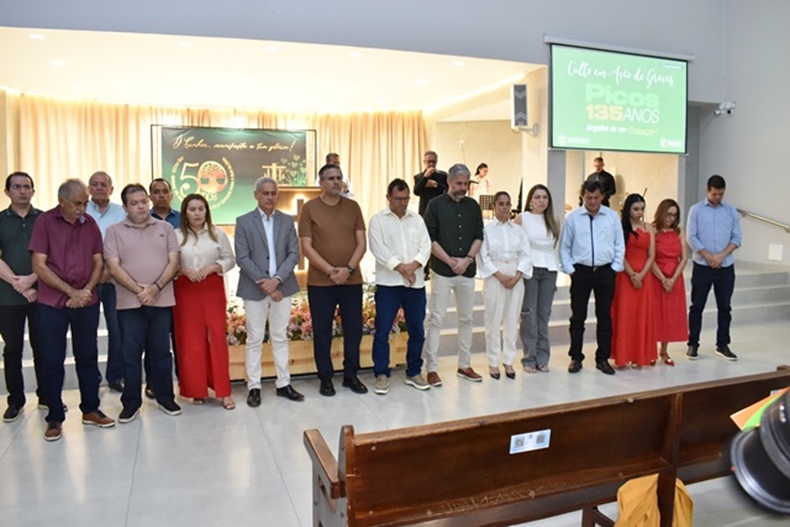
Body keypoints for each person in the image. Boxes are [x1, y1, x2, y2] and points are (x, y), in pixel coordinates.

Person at [30, 179, 115, 441]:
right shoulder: (45, 222)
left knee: (87, 356)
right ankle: (54, 416)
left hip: (86, 301)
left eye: (85, 203)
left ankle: (90, 409)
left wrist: (85, 291)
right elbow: (39, 265)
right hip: (52, 303)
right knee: (52, 360)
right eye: (77, 203)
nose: (82, 208)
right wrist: (71, 292)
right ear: (62, 201)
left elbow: (98, 261)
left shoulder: (89, 224)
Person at [105, 183, 181, 423]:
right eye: (134, 203)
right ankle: (131, 403)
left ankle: (165, 397)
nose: (140, 207)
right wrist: (140, 291)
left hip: (161, 301)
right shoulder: (114, 231)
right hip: (130, 304)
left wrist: (155, 288)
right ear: (125, 207)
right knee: (130, 355)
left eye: (143, 202)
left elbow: (174, 261)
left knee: (161, 353)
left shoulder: (165, 228)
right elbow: (113, 267)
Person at [298, 163, 368, 396]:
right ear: (321, 183)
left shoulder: (353, 207)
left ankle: (351, 375)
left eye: (339, 178)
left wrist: (348, 269)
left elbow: (361, 243)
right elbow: (306, 247)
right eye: (331, 178)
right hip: (321, 283)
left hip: (351, 280)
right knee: (322, 331)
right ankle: (325, 377)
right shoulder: (310, 208)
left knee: (353, 329)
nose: (336, 182)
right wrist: (331, 271)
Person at [235, 177, 304, 406]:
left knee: (280, 336)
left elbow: (293, 254)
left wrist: (277, 281)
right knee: (254, 338)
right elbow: (242, 257)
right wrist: (264, 283)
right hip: (254, 288)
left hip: (282, 287)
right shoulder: (243, 221)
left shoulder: (286, 221)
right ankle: (254, 386)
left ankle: (283, 383)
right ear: (256, 195)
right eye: (265, 193)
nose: (270, 197)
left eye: (274, 193)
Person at [368, 178, 432, 394]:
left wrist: (413, 266)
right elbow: (378, 249)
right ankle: (381, 374)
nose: (402, 203)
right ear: (388, 198)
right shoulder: (378, 220)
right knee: (383, 331)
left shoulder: (417, 219)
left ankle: (414, 372)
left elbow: (426, 247)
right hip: (389, 284)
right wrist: (402, 269)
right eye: (397, 199)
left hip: (415, 285)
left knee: (417, 330)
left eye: (405, 199)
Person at [422, 163, 485, 386]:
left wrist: (467, 260)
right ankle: (431, 368)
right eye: (459, 183)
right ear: (449, 181)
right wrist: (450, 261)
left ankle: (464, 365)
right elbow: (429, 239)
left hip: (466, 270)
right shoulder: (435, 205)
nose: (463, 188)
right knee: (437, 319)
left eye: (466, 184)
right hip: (442, 270)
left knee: (466, 318)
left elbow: (479, 236)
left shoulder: (472, 206)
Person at [173, 193, 236, 409]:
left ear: (207, 211)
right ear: (185, 213)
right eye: (192, 209)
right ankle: (196, 389)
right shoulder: (175, 235)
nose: (197, 213)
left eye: (201, 209)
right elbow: (169, 264)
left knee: (217, 337)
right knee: (191, 340)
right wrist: (182, 270)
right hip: (186, 290)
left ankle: (224, 392)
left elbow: (230, 259)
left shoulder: (218, 234)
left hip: (211, 289)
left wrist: (214, 267)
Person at [559, 180, 625, 375]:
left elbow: (619, 244)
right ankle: (576, 357)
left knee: (604, 317)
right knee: (578, 317)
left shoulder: (612, 217)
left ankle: (602, 358)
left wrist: (614, 268)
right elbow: (565, 246)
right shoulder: (573, 218)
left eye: (596, 197)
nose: (593, 201)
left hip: (605, 271)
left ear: (602, 196)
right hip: (581, 272)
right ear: (583, 196)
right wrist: (571, 270)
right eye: (589, 198)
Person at [0, 172, 42, 422]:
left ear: (33, 191)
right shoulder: (1, 220)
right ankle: (15, 400)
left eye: (27, 187)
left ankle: (47, 396)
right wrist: (20, 285)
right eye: (16, 187)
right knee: (13, 349)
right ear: (7, 192)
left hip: (41, 295)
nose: (22, 191)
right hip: (8, 297)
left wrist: (32, 279)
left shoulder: (45, 219)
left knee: (43, 348)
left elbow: (52, 256)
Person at [686, 175, 741, 361]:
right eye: (714, 194)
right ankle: (693, 344)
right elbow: (691, 237)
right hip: (703, 266)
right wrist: (709, 257)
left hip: (725, 266)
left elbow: (737, 238)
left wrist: (721, 256)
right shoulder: (696, 210)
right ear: (707, 190)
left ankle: (722, 344)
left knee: (725, 307)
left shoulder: (731, 211)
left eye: (721, 194)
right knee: (697, 306)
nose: (718, 197)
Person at [478, 191, 532, 380]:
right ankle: (493, 361)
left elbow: (526, 254)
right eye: (500, 203)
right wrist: (499, 275)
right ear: (494, 206)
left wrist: (518, 275)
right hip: (495, 275)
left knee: (512, 320)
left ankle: (508, 360)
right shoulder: (486, 230)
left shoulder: (518, 230)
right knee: (493, 320)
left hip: (515, 275)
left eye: (508, 204)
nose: (505, 207)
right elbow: (483, 256)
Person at [86, 170, 127, 393]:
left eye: (104, 184)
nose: (99, 187)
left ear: (111, 189)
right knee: (87, 331)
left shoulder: (121, 212)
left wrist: (109, 271)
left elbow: (125, 245)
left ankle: (115, 375)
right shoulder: (80, 210)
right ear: (88, 189)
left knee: (117, 330)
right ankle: (91, 377)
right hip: (86, 282)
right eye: (95, 184)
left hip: (114, 281)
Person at [515, 184, 560, 374]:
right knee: (529, 315)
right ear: (530, 200)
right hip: (530, 270)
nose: (541, 201)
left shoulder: (553, 219)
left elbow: (553, 244)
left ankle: (543, 358)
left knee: (543, 315)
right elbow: (517, 244)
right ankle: (529, 358)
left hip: (549, 269)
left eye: (544, 197)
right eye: (537, 197)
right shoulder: (522, 218)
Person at [610, 194, 657, 369]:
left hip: (644, 276)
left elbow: (652, 255)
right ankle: (623, 356)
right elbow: (619, 253)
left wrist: (641, 275)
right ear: (628, 209)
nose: (640, 213)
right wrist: (632, 275)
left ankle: (640, 355)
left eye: (642, 209)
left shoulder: (649, 228)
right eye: (636, 209)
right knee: (625, 315)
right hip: (625, 275)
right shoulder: (621, 227)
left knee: (642, 315)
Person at [146, 177, 180, 398]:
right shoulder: (143, 219)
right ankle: (152, 383)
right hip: (153, 288)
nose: (161, 195)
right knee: (154, 340)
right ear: (150, 196)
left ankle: (184, 379)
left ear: (171, 195)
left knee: (180, 336)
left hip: (180, 286)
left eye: (164, 191)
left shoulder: (182, 218)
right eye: (156, 192)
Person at [649, 199, 688, 366]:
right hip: (656, 275)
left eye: (674, 215)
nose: (671, 218)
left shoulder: (679, 232)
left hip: (675, 276)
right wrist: (663, 279)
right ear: (661, 213)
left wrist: (672, 279)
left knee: (670, 315)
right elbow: (650, 257)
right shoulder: (652, 230)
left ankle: (664, 350)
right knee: (655, 313)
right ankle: (651, 351)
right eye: (668, 214)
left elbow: (684, 258)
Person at [413, 150, 448, 216]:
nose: (431, 164)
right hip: (425, 210)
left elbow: (447, 191)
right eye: (429, 162)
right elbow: (416, 192)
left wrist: (436, 185)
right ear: (424, 162)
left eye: (433, 162)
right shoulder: (418, 177)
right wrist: (425, 177)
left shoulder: (443, 175)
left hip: (439, 209)